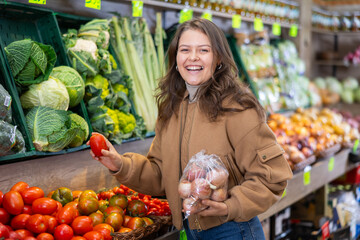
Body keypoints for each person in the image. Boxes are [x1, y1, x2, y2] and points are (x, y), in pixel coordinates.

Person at [89, 18, 293, 239]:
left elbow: (273, 177)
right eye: (185, 50)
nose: (193, 57)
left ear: (218, 59)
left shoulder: (237, 108)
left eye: (203, 50)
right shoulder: (173, 108)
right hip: (191, 230)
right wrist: (121, 165)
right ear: (176, 59)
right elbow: (161, 174)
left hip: (234, 230)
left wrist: (229, 206)